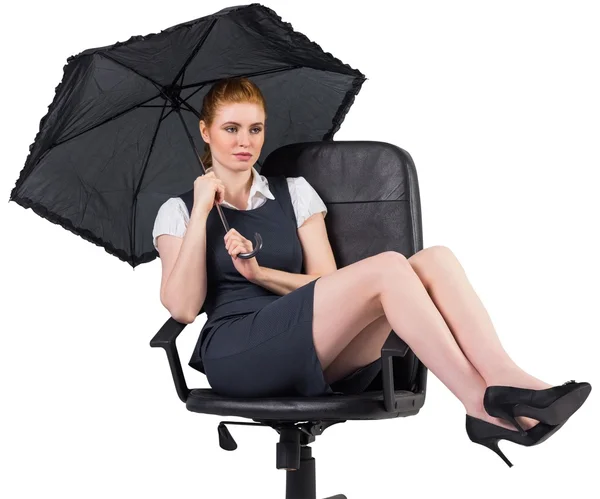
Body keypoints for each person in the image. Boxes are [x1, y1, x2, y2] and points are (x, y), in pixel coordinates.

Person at [152, 77, 591, 466]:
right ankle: (479, 406)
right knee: (387, 268)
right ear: (206, 132)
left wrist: (262, 275)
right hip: (238, 352)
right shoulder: (179, 211)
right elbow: (184, 308)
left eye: (255, 128)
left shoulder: (294, 193)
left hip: (308, 339)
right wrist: (201, 213)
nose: (244, 141)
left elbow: (325, 282)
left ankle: (508, 380)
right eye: (231, 129)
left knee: (434, 259)